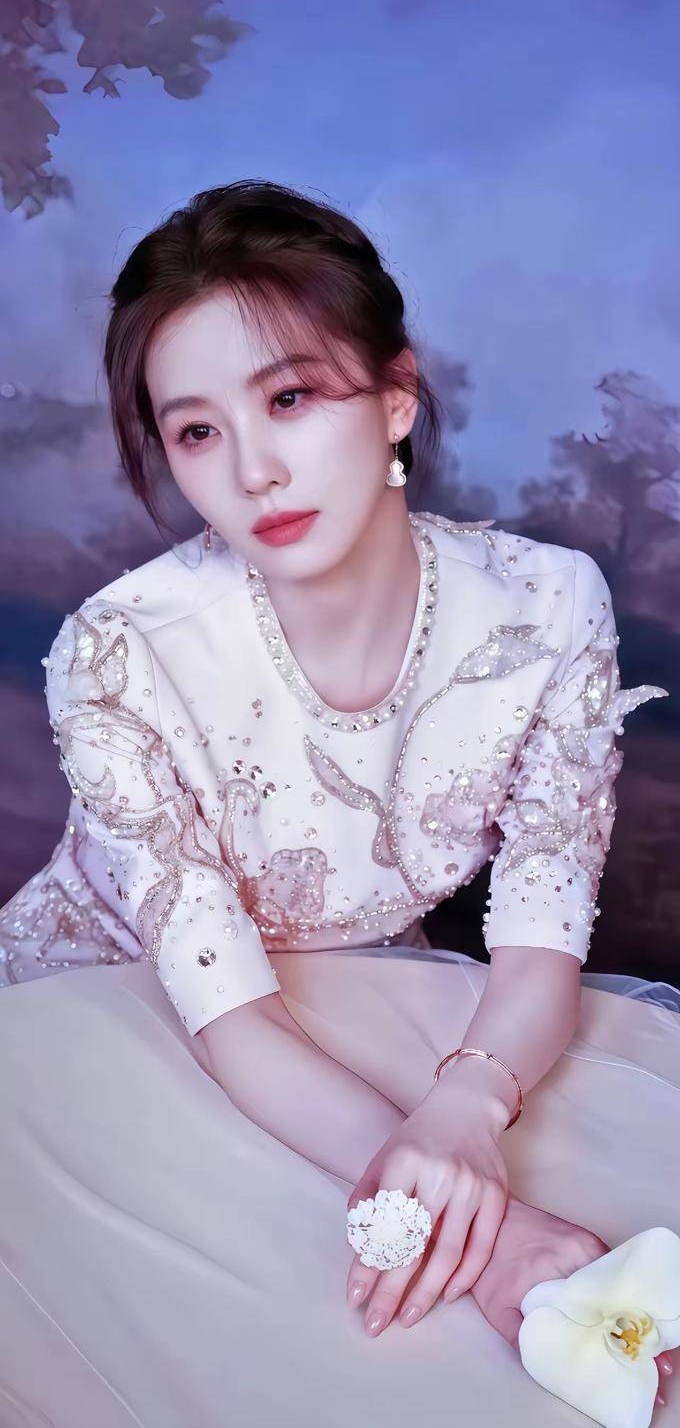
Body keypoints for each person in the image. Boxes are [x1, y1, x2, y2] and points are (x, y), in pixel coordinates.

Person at [0, 180, 676, 1427]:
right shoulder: (118, 654)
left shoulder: (544, 607)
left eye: (290, 398)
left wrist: (466, 1106)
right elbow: (229, 1018)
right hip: (120, 1012)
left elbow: (539, 933)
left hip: (371, 989)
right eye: (194, 431)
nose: (253, 471)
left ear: (395, 395)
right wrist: (496, 1232)